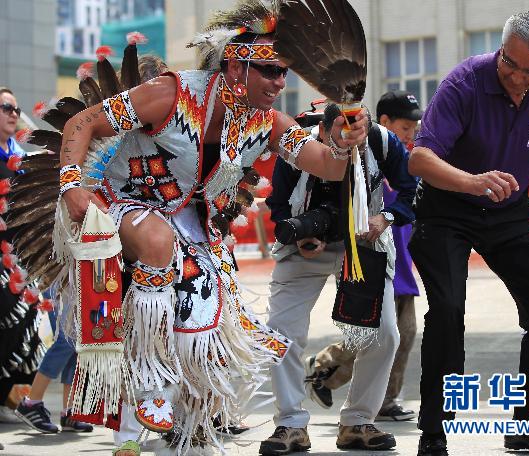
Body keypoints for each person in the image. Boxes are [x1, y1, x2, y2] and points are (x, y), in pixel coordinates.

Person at [53, 3, 368, 455]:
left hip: (190, 219)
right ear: (236, 65)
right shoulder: (169, 94)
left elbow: (326, 166)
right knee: (159, 241)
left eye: (285, 74)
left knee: (205, 322)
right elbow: (82, 122)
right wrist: (71, 186)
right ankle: (148, 378)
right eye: (271, 72)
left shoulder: (266, 120)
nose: (281, 84)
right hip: (117, 199)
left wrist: (340, 142)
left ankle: (189, 423)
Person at [407, 11, 529, 456]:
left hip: (508, 215)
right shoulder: (464, 82)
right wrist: (471, 180)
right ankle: (435, 429)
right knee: (448, 311)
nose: (520, 78)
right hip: (446, 211)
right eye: (513, 64)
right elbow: (420, 159)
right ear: (502, 48)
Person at [259, 102, 417, 455]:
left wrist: (386, 218)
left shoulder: (382, 141)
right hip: (305, 250)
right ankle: (290, 424)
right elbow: (279, 203)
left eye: (358, 137)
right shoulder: (296, 144)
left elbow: (411, 189)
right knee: (280, 332)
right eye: (343, 139)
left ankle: (358, 421)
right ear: (323, 130)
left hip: (364, 241)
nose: (351, 145)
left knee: (384, 334)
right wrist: (300, 235)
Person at [303, 90, 421, 422]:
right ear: (382, 122)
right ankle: (331, 370)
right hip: (369, 257)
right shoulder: (360, 155)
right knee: (381, 330)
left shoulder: (397, 156)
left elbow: (409, 203)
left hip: (397, 257)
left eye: (414, 128)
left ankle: (369, 393)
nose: (411, 134)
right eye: (406, 127)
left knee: (393, 331)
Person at [0, 87, 45, 425]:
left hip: (21, 254)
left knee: (26, 324)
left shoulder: (21, 156)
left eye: (16, 108)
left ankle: (11, 398)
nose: (13, 113)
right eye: (5, 108)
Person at [15, 285, 93, 434]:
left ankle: (70, 411)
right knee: (66, 340)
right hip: (57, 271)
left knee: (77, 342)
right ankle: (31, 403)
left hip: (77, 273)